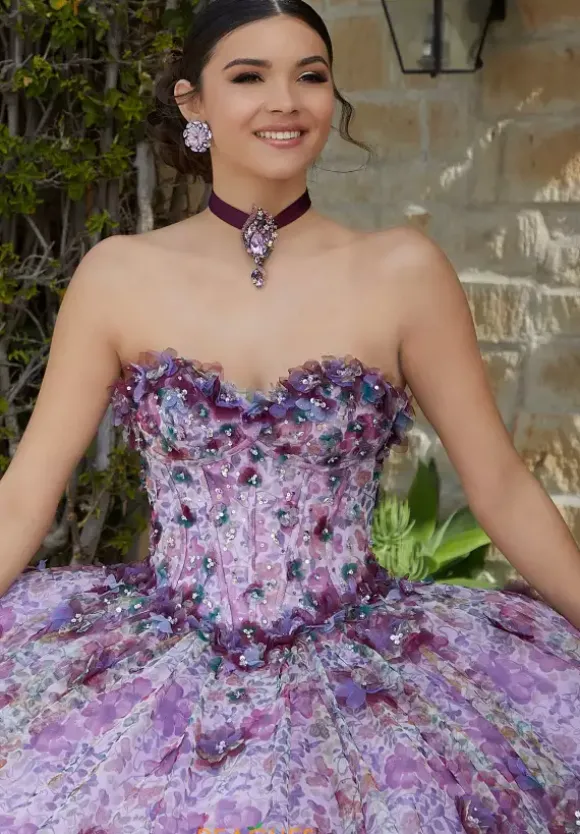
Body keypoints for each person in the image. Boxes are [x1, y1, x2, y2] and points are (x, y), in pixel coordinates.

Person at [0, 0, 579, 831]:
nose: (287, 101)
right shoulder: (117, 275)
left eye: (310, 76)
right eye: (249, 76)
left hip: (361, 676)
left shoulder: (403, 271)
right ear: (193, 101)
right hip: (160, 671)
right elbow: (25, 498)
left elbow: (501, 485)